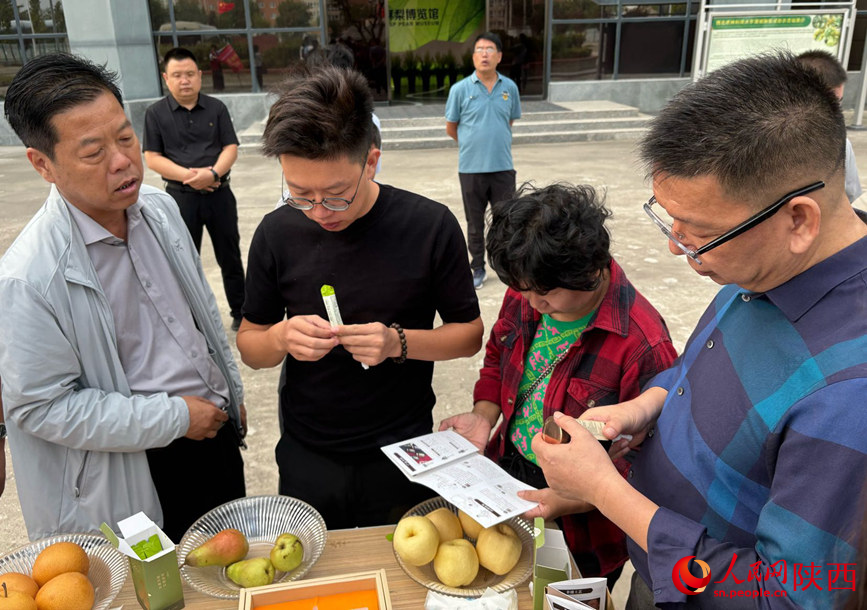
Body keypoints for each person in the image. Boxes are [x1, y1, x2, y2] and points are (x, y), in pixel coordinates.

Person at [531, 52, 867, 609]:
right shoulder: (765, 262)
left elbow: (784, 598)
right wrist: (645, 407)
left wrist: (605, 492)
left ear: (799, 220)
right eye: (671, 221)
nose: (678, 247)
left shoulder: (848, 392)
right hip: (654, 567)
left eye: (699, 235)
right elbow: (698, 368)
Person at [0, 53, 247, 542]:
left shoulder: (159, 210)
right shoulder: (29, 278)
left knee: (231, 575)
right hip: (132, 469)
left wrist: (230, 388)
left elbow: (198, 319)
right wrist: (175, 417)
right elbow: (39, 407)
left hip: (211, 434)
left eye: (125, 137)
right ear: (42, 164)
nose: (122, 161)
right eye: (93, 152)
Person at [236, 66, 483, 529]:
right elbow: (251, 345)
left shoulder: (429, 227)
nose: (318, 211)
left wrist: (398, 343)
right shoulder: (277, 232)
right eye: (299, 193)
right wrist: (281, 338)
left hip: (402, 449)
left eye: (335, 195)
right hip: (308, 448)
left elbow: (469, 335)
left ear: (371, 161)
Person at [440, 183, 677, 590]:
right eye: (523, 289)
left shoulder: (642, 342)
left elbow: (649, 465)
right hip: (507, 472)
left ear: (589, 269)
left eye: (545, 294)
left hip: (585, 519)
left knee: (559, 593)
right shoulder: (529, 289)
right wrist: (484, 416)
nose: (532, 304)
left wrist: (575, 498)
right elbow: (498, 356)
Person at [143, 47, 246, 332]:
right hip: (180, 198)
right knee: (183, 259)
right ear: (166, 78)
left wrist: (212, 173)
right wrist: (193, 177)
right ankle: (190, 317)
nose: (184, 80)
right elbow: (152, 157)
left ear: (200, 76)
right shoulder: (155, 114)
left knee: (230, 255)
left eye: (190, 74)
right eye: (177, 75)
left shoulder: (217, 108)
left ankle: (241, 311)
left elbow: (230, 147)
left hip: (219, 195)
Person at [445, 32, 521, 290]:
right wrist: (472, 144)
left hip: (503, 168)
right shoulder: (460, 90)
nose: (485, 54)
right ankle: (477, 268)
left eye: (490, 49)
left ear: (499, 56)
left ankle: (508, 268)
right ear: (473, 56)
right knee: (474, 223)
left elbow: (508, 122)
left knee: (508, 221)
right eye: (479, 49)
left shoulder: (509, 88)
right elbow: (451, 127)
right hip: (471, 169)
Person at [797, 49, 862, 203]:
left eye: (838, 103)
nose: (836, 113)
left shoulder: (842, 144)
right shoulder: (840, 145)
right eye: (828, 103)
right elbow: (850, 194)